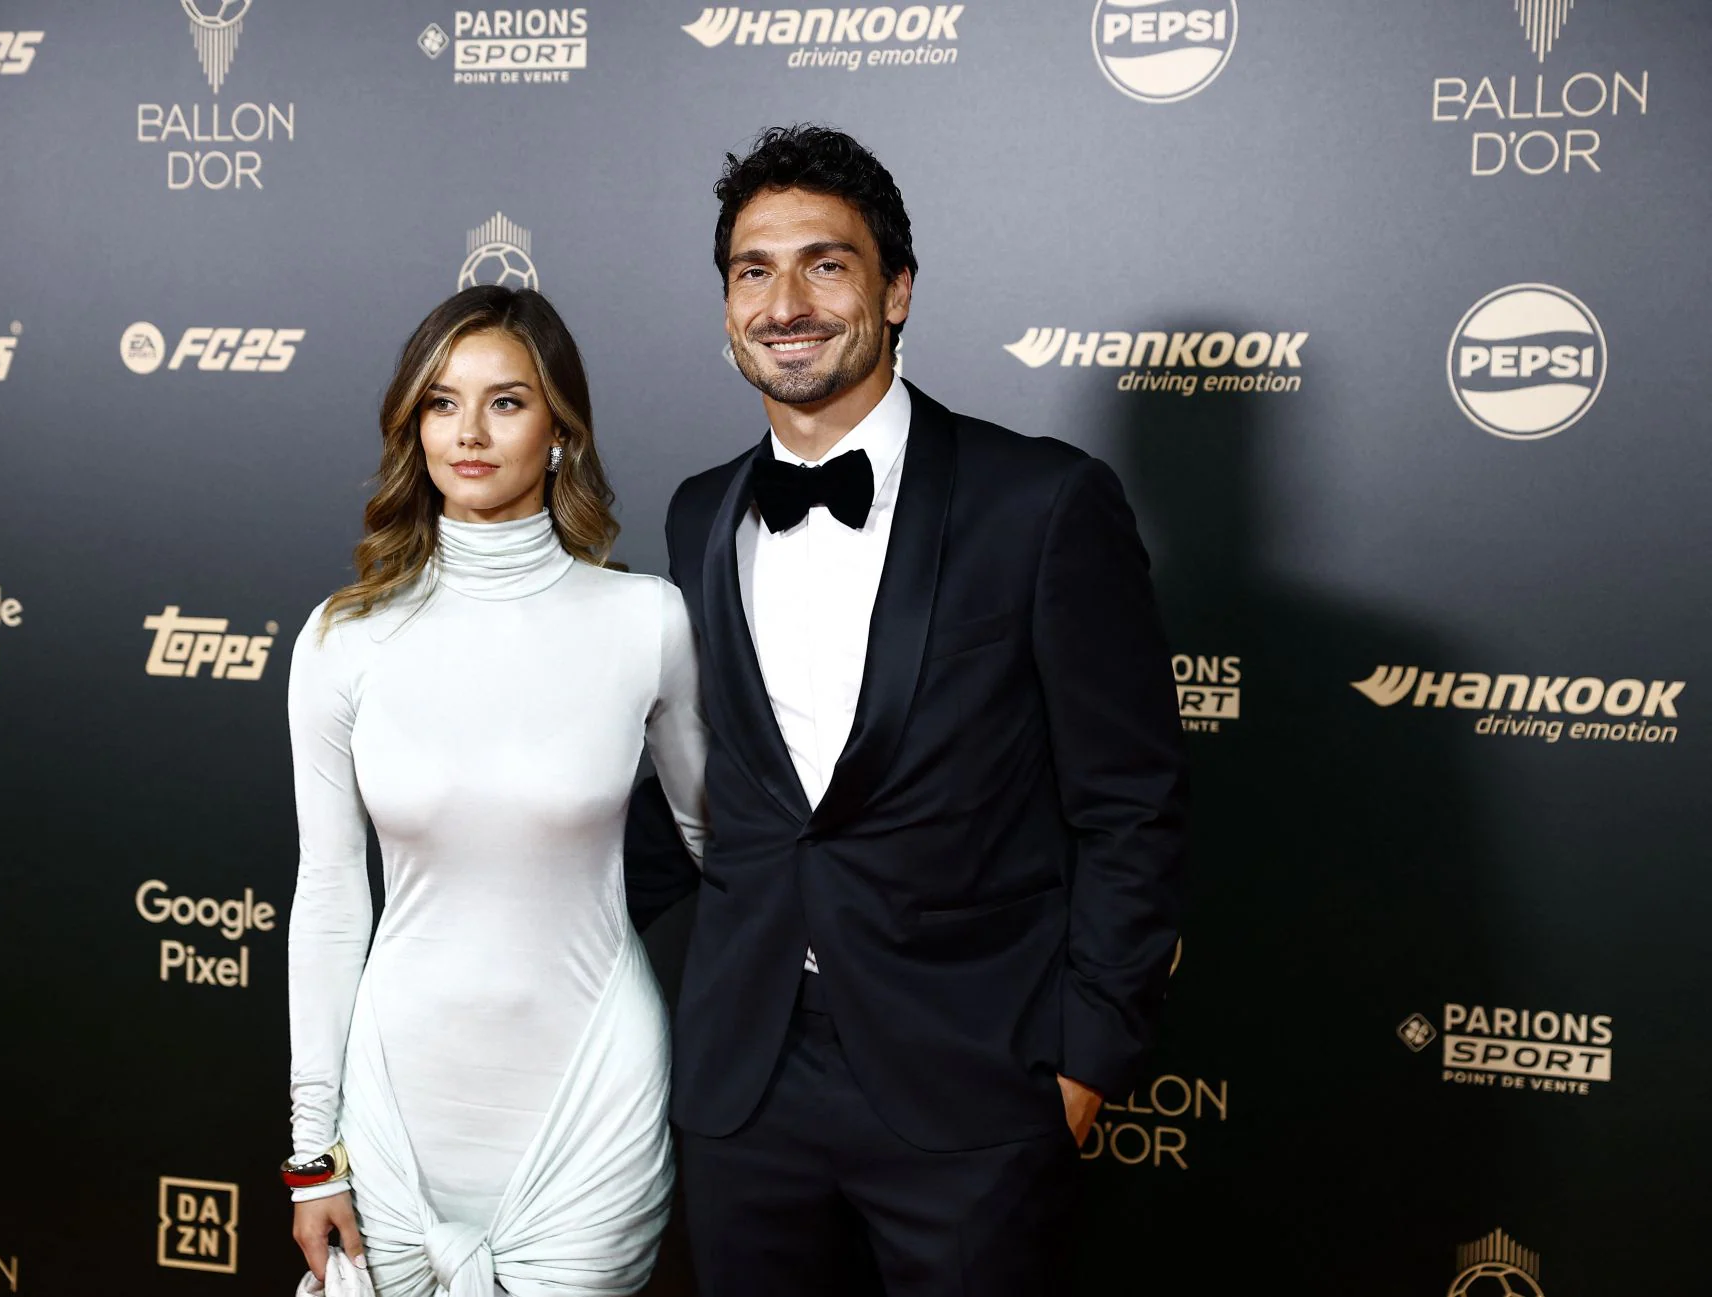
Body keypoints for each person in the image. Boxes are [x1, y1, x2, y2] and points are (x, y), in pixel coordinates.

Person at [657, 125, 1189, 1295]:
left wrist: (1084, 1060)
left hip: (974, 1082)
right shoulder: (700, 514)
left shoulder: (1042, 504)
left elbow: (1132, 804)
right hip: (744, 1081)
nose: (785, 301)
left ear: (896, 290)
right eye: (753, 269)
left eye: (826, 264)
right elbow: (713, 793)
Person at [284, 285, 706, 1296]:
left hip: (590, 1110)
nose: (469, 430)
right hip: (393, 1115)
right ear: (412, 426)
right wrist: (313, 1149)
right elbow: (333, 898)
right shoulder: (344, 637)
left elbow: (723, 847)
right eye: (441, 401)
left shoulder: (645, 620)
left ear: (561, 429)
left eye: (507, 401)